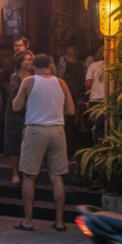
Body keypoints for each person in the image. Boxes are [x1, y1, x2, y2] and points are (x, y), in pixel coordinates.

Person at [10, 54, 74, 231]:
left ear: (34, 67)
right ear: (50, 66)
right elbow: (71, 109)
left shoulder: (29, 81)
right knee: (56, 176)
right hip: (57, 131)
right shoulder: (61, 83)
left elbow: (15, 107)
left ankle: (28, 221)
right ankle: (60, 221)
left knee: (29, 177)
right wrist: (53, 110)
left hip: (36, 130)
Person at [4, 50, 34, 185]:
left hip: (32, 112)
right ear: (20, 63)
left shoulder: (36, 76)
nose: (30, 62)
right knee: (15, 143)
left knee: (30, 143)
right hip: (15, 113)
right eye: (27, 60)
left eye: (31, 59)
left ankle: (28, 171)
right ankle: (15, 173)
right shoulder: (15, 77)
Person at [85, 47, 106, 143]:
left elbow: (88, 84)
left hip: (95, 100)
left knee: (96, 126)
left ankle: (96, 147)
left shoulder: (93, 66)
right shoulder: (114, 66)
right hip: (107, 100)